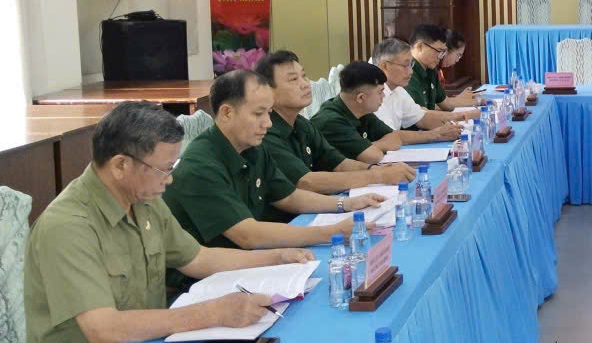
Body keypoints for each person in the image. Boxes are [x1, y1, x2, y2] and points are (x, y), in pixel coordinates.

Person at [9, 102, 314, 343]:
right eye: (165, 169)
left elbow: (197, 258)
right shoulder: (68, 227)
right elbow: (103, 329)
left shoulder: (142, 198)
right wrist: (213, 313)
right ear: (120, 165)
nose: (169, 180)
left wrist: (274, 258)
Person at [162, 71, 384, 255]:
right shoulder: (200, 165)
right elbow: (247, 234)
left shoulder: (253, 147)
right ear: (227, 113)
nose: (268, 123)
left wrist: (345, 204)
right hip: (208, 278)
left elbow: (289, 196)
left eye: (269, 113)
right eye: (258, 114)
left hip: (251, 257)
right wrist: (331, 233)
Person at [255, 50, 416, 194]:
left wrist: (377, 169)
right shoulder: (265, 131)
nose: (305, 84)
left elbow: (338, 162)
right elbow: (306, 182)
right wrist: (377, 175)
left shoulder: (302, 124)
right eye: (293, 79)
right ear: (268, 90)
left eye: (304, 76)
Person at [312, 61, 451, 161]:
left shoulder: (361, 111)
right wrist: (374, 147)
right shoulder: (331, 121)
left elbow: (395, 138)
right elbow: (374, 156)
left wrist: (371, 146)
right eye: (380, 92)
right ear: (361, 98)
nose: (383, 97)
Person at [371, 38, 465, 139]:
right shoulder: (372, 92)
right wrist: (436, 134)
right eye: (405, 65)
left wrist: (460, 122)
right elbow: (389, 136)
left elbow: (422, 118)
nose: (411, 71)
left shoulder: (397, 89)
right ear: (384, 66)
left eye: (411, 65)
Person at [405, 23, 476, 112]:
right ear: (420, 47)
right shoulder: (407, 71)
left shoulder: (431, 70)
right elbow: (422, 115)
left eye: (443, 52)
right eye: (439, 51)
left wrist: (479, 101)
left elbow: (447, 104)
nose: (441, 56)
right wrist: (462, 115)